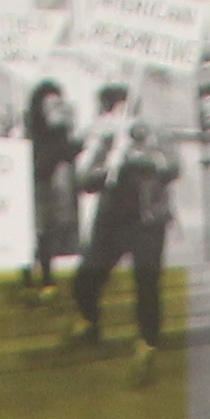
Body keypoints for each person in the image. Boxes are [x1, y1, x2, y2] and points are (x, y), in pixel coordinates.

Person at [66, 80, 175, 360]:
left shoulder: (153, 133)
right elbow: (84, 180)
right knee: (86, 279)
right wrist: (107, 166)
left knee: (147, 283)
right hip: (112, 221)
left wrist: (140, 158)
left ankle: (147, 345)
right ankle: (91, 323)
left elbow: (172, 166)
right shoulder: (100, 139)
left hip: (148, 220)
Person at [18, 79, 81, 290]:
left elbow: (68, 156)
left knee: (47, 233)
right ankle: (27, 278)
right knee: (31, 233)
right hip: (29, 188)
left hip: (48, 189)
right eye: (51, 106)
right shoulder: (29, 131)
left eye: (59, 105)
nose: (57, 110)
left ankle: (46, 277)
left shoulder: (60, 132)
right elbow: (37, 162)